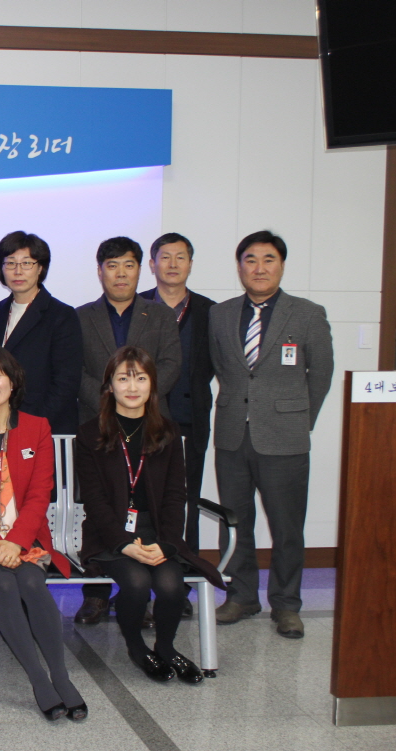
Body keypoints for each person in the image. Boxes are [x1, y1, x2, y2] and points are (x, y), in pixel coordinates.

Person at [0, 345, 85, 720]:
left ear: (12, 380)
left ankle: (61, 676)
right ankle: (39, 680)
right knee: (4, 585)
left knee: (33, 583)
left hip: (26, 536)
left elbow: (40, 495)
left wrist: (16, 542)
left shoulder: (38, 428)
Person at [75, 346, 224, 683]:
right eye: (123, 378)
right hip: (109, 534)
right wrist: (123, 543)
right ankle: (137, 648)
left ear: (152, 385)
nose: (132, 387)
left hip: (156, 532)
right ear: (109, 385)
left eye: (140, 378)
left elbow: (175, 496)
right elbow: (94, 501)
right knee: (138, 583)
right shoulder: (89, 434)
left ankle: (166, 648)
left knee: (171, 586)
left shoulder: (167, 433)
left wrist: (168, 544)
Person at [209, 231, 333, 638]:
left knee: (286, 526)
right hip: (232, 434)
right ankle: (242, 596)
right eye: (250, 260)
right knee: (236, 522)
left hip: (285, 437)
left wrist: (299, 420)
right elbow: (222, 368)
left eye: (268, 260)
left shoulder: (308, 314)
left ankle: (286, 604)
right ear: (239, 266)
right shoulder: (221, 314)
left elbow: (321, 374)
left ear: (281, 265)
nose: (259, 268)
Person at [74, 236, 181, 625]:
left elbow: (170, 364)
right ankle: (96, 596)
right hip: (100, 427)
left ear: (141, 269)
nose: (121, 273)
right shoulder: (80, 317)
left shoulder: (161, 316)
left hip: (148, 426)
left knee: (146, 500)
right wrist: (111, 400)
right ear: (99, 271)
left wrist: (137, 398)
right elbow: (76, 370)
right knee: (101, 504)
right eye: (112, 265)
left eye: (129, 265)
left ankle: (143, 595)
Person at [140, 232, 215, 551]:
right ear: (152, 264)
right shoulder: (137, 306)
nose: (172, 264)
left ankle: (186, 565)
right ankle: (142, 565)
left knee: (187, 499)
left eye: (180, 257)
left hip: (190, 419)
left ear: (191, 264)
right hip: (141, 420)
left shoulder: (210, 311)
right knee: (141, 498)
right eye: (165, 257)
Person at [0, 231, 83, 435]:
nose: (18, 271)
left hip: (46, 427)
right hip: (1, 423)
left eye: (27, 263)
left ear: (40, 268)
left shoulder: (61, 315)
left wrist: (32, 425)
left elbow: (66, 383)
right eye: (10, 263)